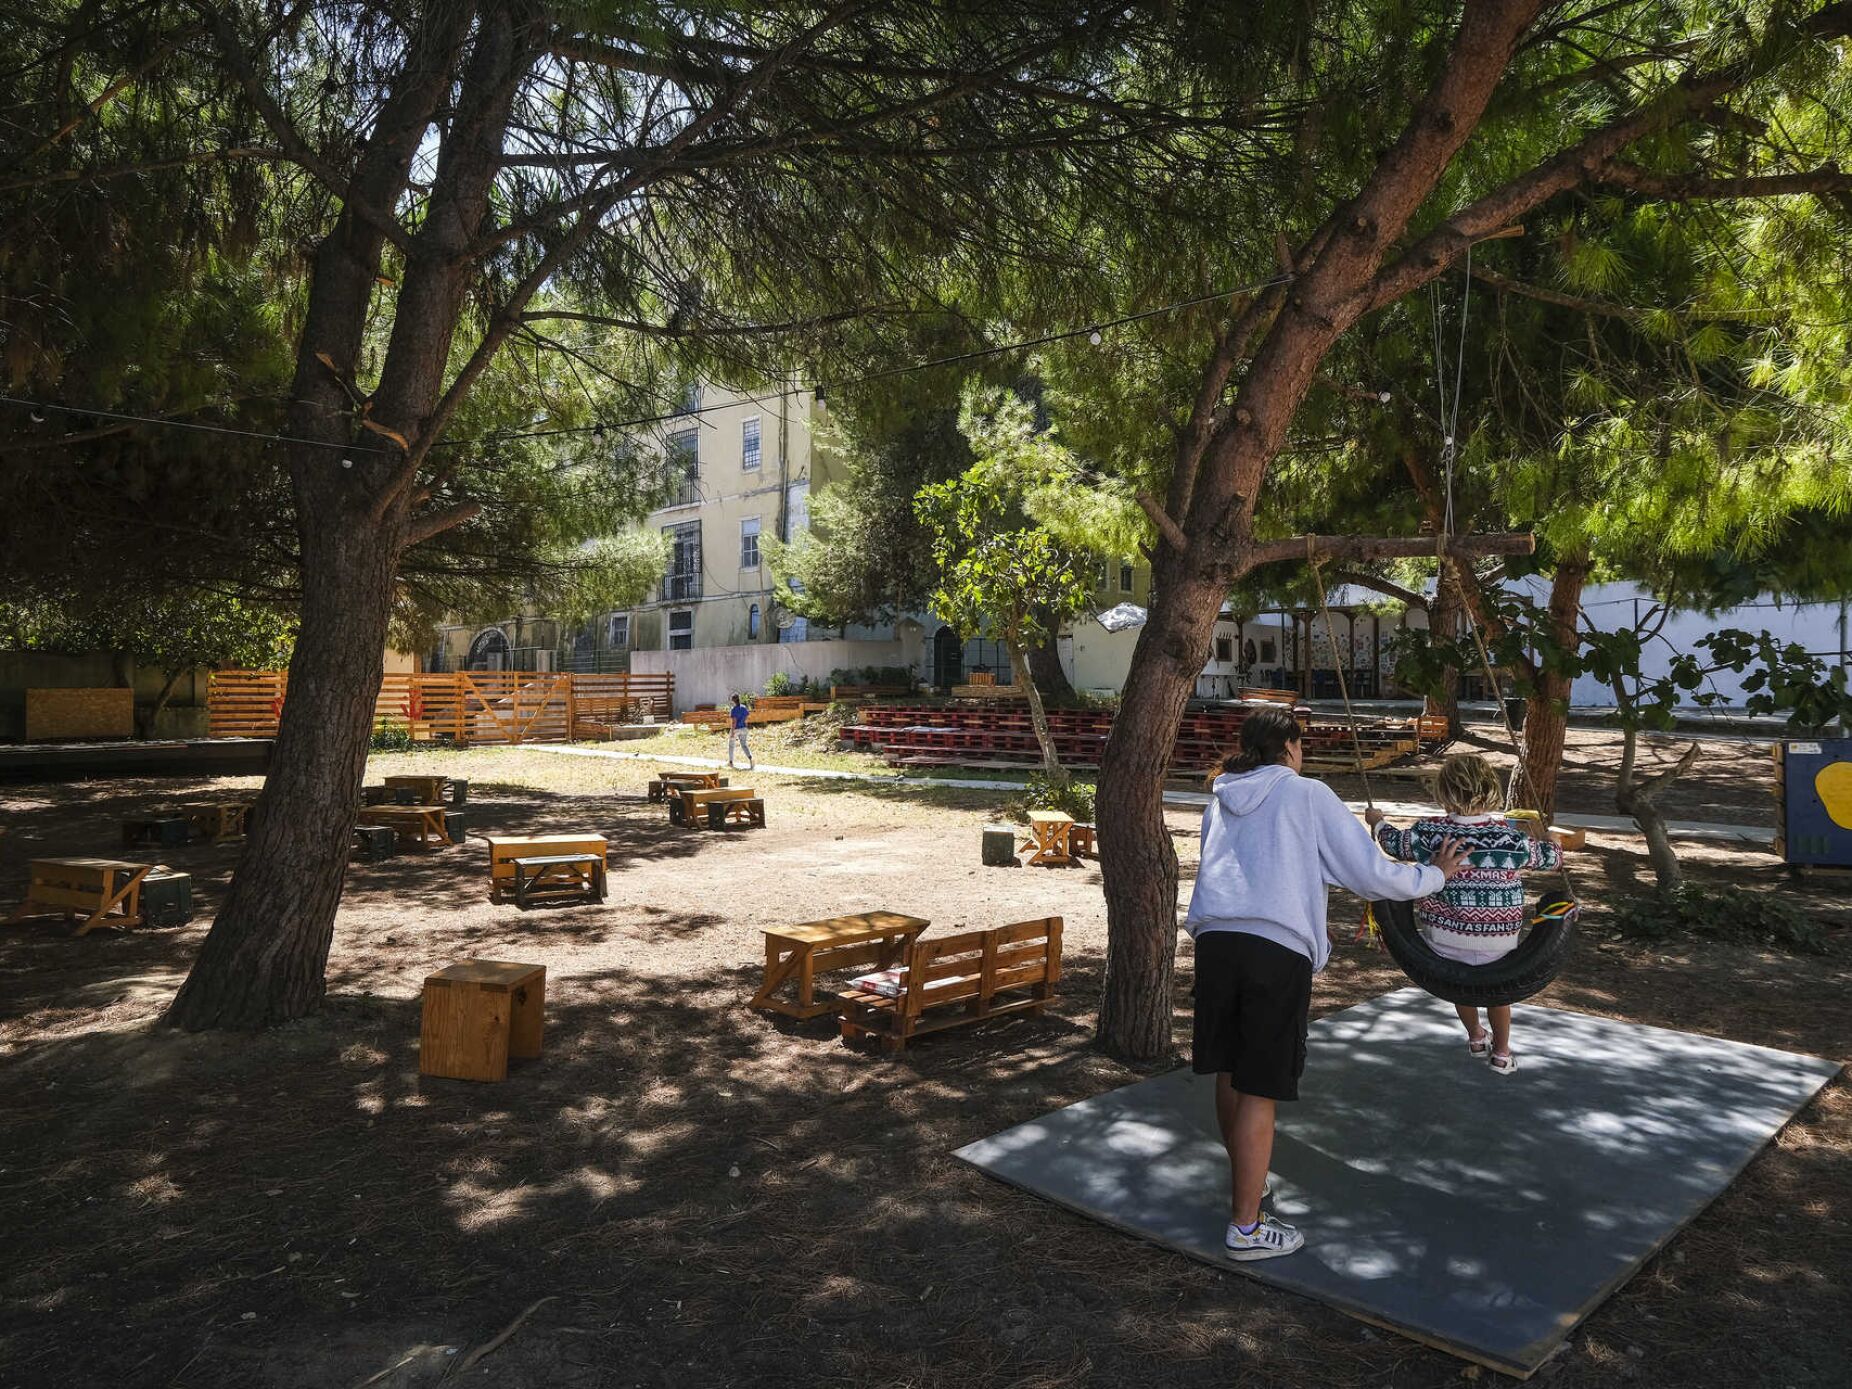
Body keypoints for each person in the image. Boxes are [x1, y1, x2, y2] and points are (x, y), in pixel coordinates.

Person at [1185, 705, 1468, 1261]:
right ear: (1289, 746)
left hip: (1217, 941)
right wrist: (1435, 875)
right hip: (1274, 946)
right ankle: (1245, 1228)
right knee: (1261, 1084)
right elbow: (1368, 872)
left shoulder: (1219, 799)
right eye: (1301, 745)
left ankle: (1248, 1179)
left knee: (1230, 1068)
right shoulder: (1305, 793)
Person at [1367, 753, 1561, 1076]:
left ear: (1443, 793)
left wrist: (1377, 821)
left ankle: (1474, 1036)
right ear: (1490, 791)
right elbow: (1552, 860)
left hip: (1442, 943)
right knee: (1499, 995)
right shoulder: (1511, 840)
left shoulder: (1428, 834)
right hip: (1499, 946)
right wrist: (1552, 841)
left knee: (1462, 987)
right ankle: (1501, 1053)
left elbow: (1393, 843)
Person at [727, 693, 753, 770]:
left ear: (733, 701)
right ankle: (751, 759)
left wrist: (732, 732)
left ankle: (731, 762)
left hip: (736, 729)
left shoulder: (733, 710)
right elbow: (746, 718)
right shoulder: (744, 708)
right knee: (744, 745)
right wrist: (745, 726)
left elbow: (734, 722)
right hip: (744, 728)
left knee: (731, 745)